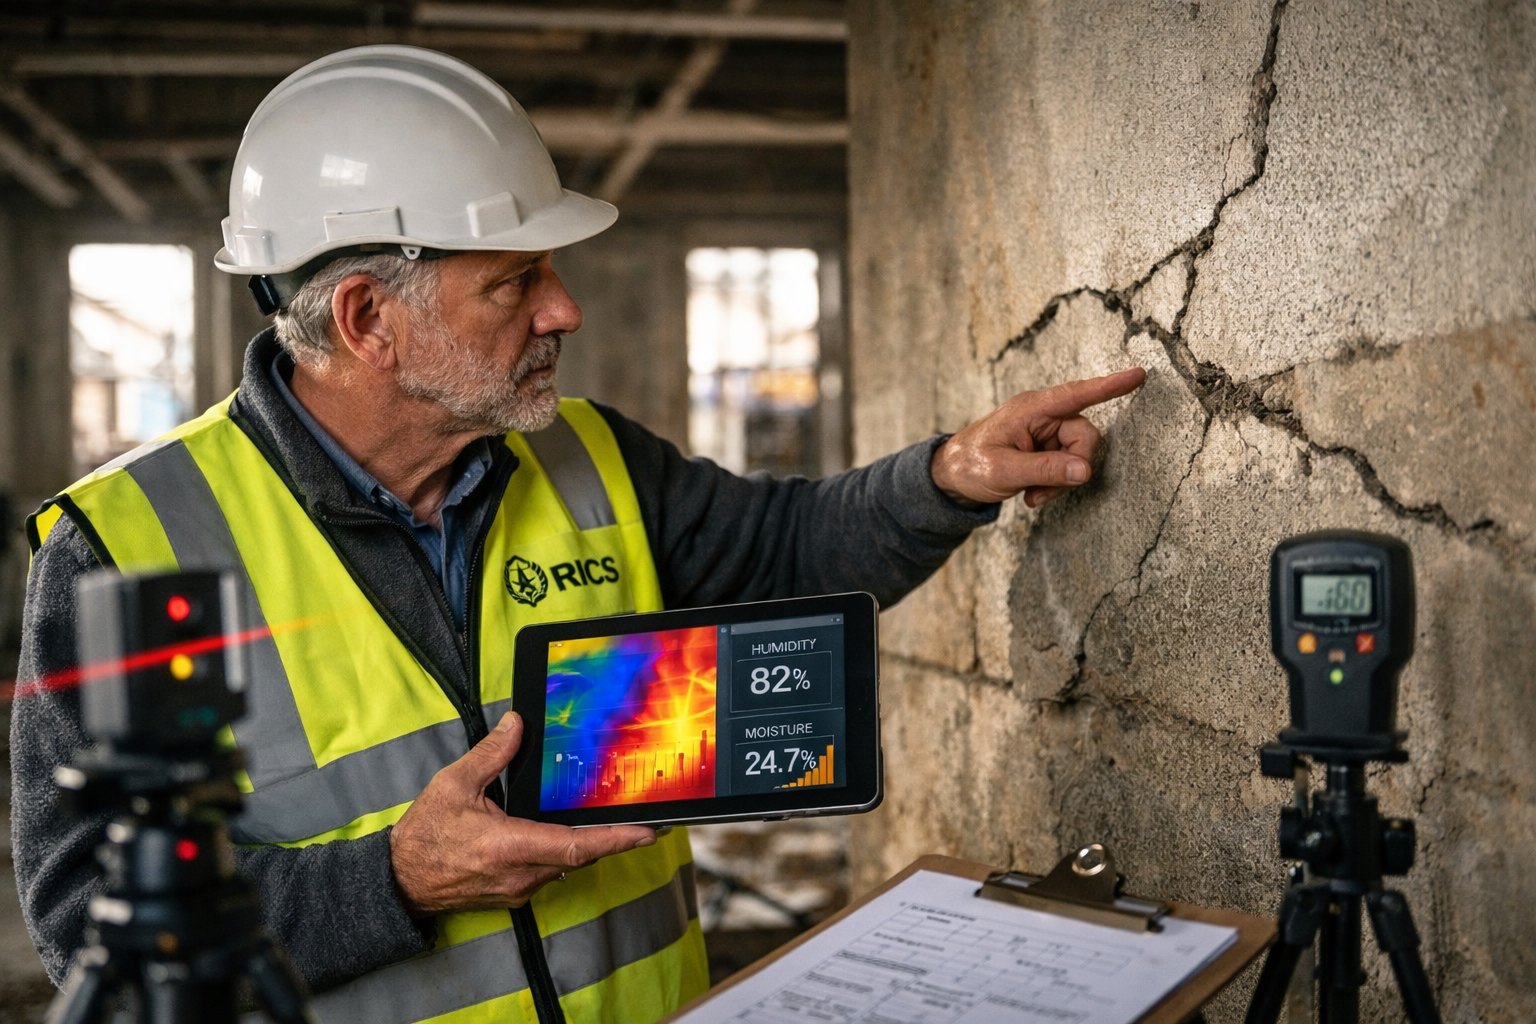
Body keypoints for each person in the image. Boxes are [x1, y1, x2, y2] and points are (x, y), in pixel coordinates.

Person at [10, 46, 1145, 1024]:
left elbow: (786, 552)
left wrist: (950, 475)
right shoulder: (126, 547)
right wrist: (397, 878)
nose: (565, 309)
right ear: (368, 323)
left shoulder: (588, 455)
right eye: (515, 282)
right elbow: (83, 924)